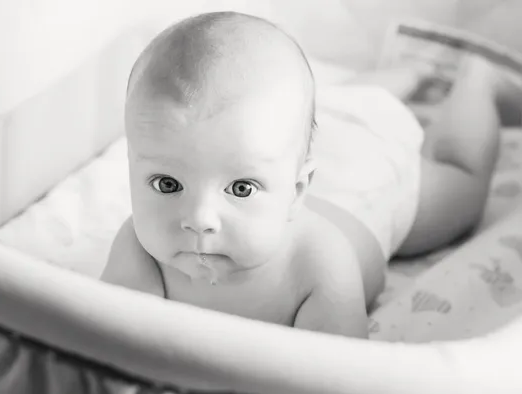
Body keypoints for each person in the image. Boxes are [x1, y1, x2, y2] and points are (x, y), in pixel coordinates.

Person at [101, 11, 506, 339]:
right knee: (341, 105)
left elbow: (332, 376)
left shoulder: (319, 265)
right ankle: (408, 73)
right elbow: (111, 344)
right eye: (167, 184)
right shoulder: (140, 247)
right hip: (306, 129)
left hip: (370, 178)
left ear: (297, 191)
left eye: (241, 188)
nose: (199, 219)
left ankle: (476, 80)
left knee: (459, 180)